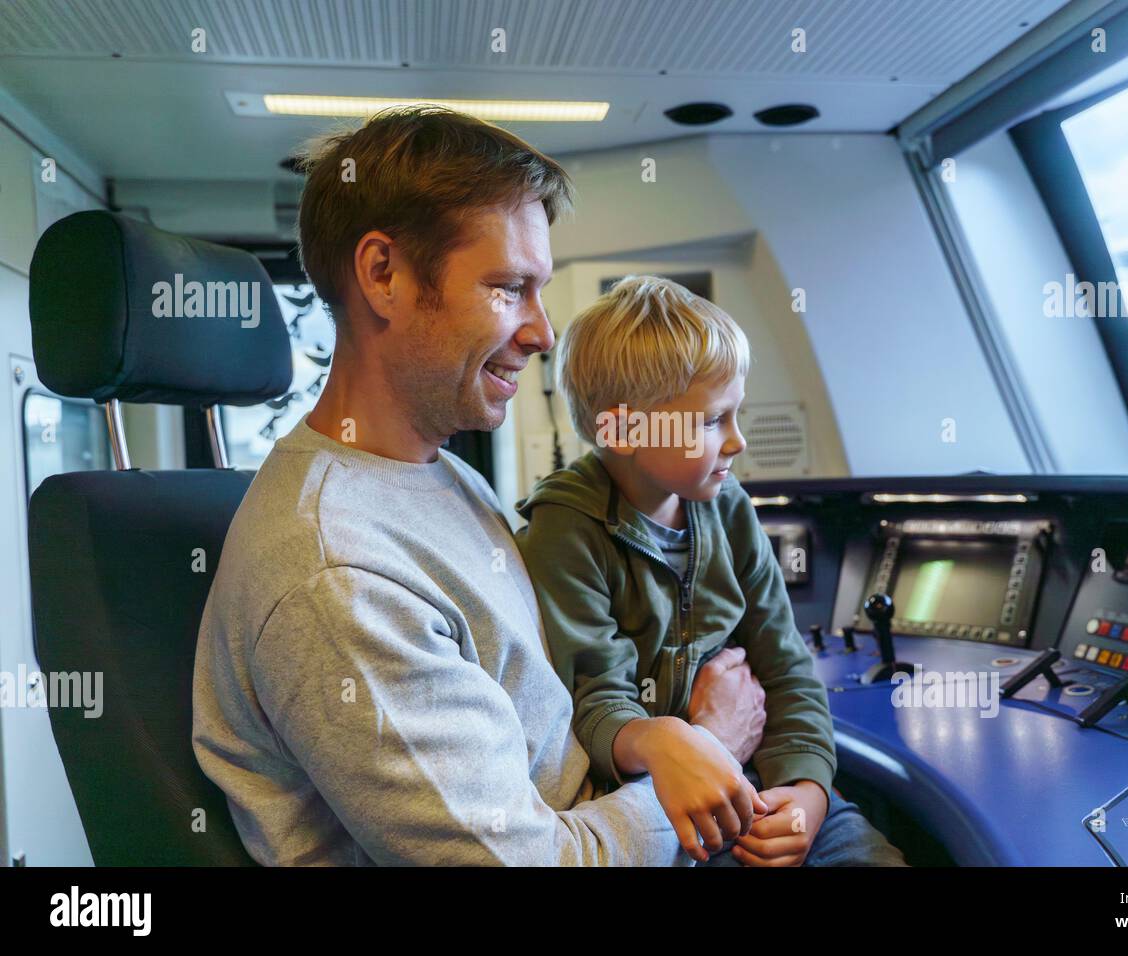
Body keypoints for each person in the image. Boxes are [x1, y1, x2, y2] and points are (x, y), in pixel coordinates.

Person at [191, 107, 768, 865]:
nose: (543, 332)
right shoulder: (335, 574)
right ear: (383, 275)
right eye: (509, 288)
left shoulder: (444, 475)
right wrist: (707, 746)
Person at [514, 276, 906, 867]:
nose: (737, 441)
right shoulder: (566, 533)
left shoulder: (729, 508)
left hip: (762, 779)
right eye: (712, 421)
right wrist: (669, 742)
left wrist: (806, 791)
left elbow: (784, 662)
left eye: (736, 414)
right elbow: (595, 702)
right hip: (670, 805)